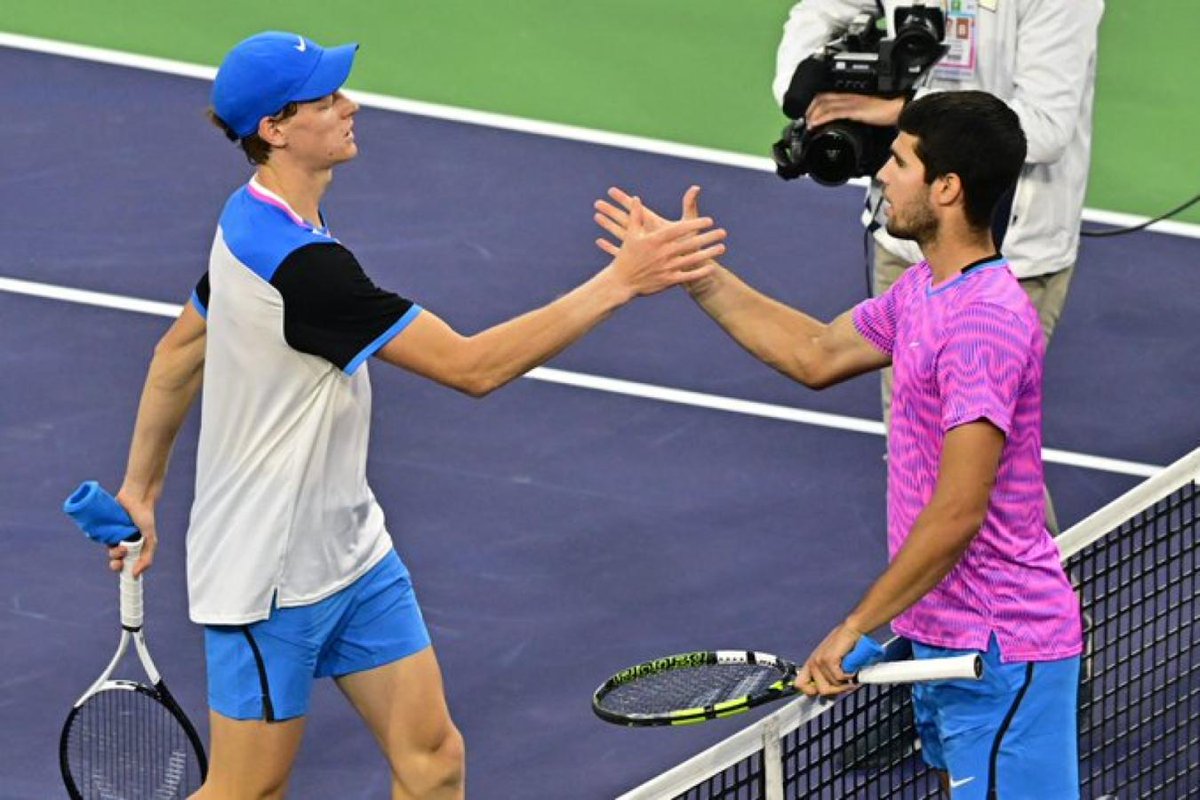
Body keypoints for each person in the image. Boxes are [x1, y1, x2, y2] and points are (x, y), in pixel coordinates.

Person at [105, 31, 725, 800]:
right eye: (327, 99)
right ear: (275, 129)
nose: (350, 105)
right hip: (264, 576)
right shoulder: (304, 268)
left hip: (352, 554)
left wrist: (142, 488)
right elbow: (474, 367)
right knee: (248, 791)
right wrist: (621, 281)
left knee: (433, 763)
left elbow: (175, 355)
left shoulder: (253, 222)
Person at [594, 91, 1084, 798]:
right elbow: (816, 352)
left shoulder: (983, 324)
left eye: (901, 159)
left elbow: (958, 511)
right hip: (944, 638)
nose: (883, 172)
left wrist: (856, 622)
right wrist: (696, 272)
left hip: (1001, 653)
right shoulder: (927, 290)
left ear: (946, 188)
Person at [775, 0, 1104, 534]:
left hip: (1011, 260)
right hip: (908, 244)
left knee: (986, 471)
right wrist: (808, 88)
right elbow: (820, 9)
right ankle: (942, 610)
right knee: (917, 453)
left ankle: (1044, 606)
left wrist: (900, 108)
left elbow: (1043, 127)